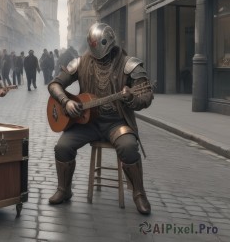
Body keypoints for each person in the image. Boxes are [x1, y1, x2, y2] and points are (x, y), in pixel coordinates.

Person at [47, 22, 154, 215]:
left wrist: (131, 97)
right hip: (87, 122)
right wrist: (66, 102)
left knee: (128, 147)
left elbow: (146, 96)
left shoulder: (129, 64)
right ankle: (64, 189)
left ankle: (139, 193)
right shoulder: (81, 62)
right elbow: (55, 84)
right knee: (62, 147)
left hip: (117, 122)